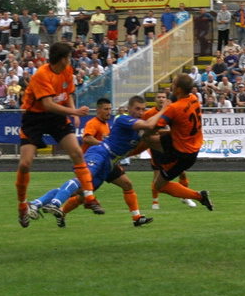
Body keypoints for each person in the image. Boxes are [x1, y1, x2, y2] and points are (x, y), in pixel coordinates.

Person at [29, 95, 167, 227]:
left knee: (82, 191)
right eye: (137, 109)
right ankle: (55, 203)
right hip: (100, 153)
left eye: (143, 109)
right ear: (129, 109)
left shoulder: (132, 127)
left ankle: (37, 203)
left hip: (109, 162)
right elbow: (149, 125)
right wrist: (164, 109)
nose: (141, 112)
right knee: (83, 182)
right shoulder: (123, 119)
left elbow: (153, 132)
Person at [14, 41, 97, 228]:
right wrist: (74, 113)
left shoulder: (67, 71)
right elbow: (48, 105)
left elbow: (68, 94)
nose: (71, 61)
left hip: (56, 117)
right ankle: (22, 206)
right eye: (69, 57)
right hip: (34, 117)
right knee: (25, 163)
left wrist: (73, 110)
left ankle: (90, 197)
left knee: (76, 152)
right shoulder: (42, 75)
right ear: (63, 59)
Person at [143, 74, 214, 209]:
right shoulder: (194, 98)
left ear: (179, 89)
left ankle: (199, 196)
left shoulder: (174, 108)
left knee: (159, 185)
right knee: (145, 138)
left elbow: (152, 128)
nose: (171, 85)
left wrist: (163, 109)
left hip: (181, 153)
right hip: (188, 144)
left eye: (174, 84)